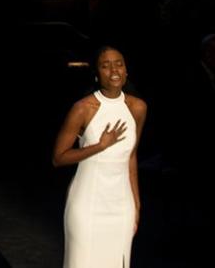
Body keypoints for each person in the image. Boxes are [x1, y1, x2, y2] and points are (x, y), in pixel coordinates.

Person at [52, 45, 147, 268]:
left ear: (126, 70)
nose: (114, 70)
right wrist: (99, 146)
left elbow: (131, 155)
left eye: (119, 64)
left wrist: (136, 203)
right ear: (96, 73)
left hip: (121, 205)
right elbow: (58, 158)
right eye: (105, 65)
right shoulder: (83, 108)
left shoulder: (138, 107)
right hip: (87, 204)